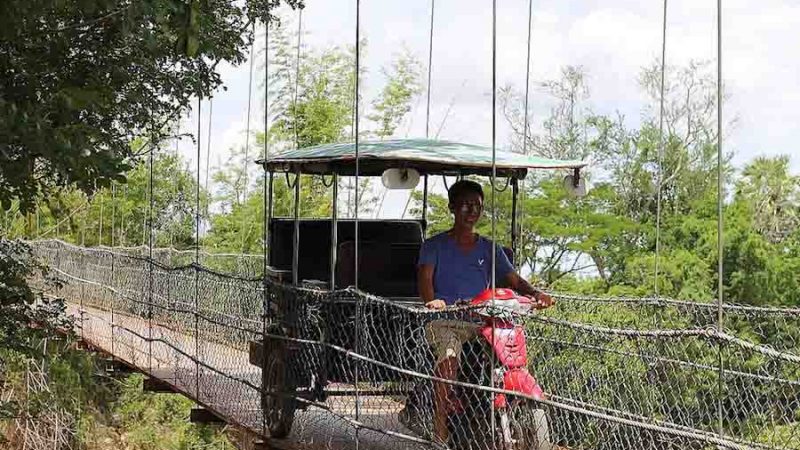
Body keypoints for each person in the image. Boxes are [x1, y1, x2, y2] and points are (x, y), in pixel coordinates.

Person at [417, 179, 553, 444]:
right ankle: (440, 426)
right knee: (449, 360)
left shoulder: (489, 248)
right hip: (447, 320)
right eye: (466, 205)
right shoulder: (434, 245)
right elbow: (425, 278)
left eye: (477, 206)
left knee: (508, 354)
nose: (472, 211)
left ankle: (494, 403)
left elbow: (512, 279)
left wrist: (535, 294)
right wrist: (433, 302)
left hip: (482, 318)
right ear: (452, 208)